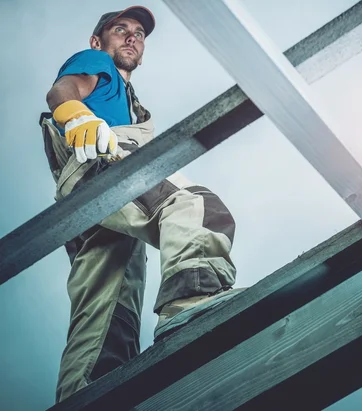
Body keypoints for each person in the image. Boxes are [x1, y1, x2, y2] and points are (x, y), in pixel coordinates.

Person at [40, 6, 243, 403]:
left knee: (107, 302)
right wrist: (75, 115)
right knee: (192, 205)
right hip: (102, 162)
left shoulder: (127, 96)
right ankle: (192, 300)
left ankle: (87, 394)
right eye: (121, 30)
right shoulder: (97, 64)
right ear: (98, 41)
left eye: (139, 33)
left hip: (84, 207)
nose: (133, 37)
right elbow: (62, 90)